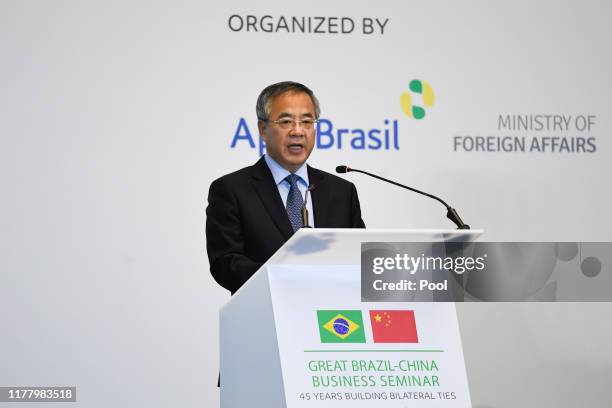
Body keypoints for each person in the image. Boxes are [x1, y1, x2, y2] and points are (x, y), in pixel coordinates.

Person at [206, 81, 365, 294]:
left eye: (307, 122)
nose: (298, 131)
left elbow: (359, 257)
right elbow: (225, 263)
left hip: (336, 318)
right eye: (286, 121)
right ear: (263, 130)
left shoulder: (342, 192)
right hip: (266, 314)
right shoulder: (232, 190)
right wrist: (288, 278)